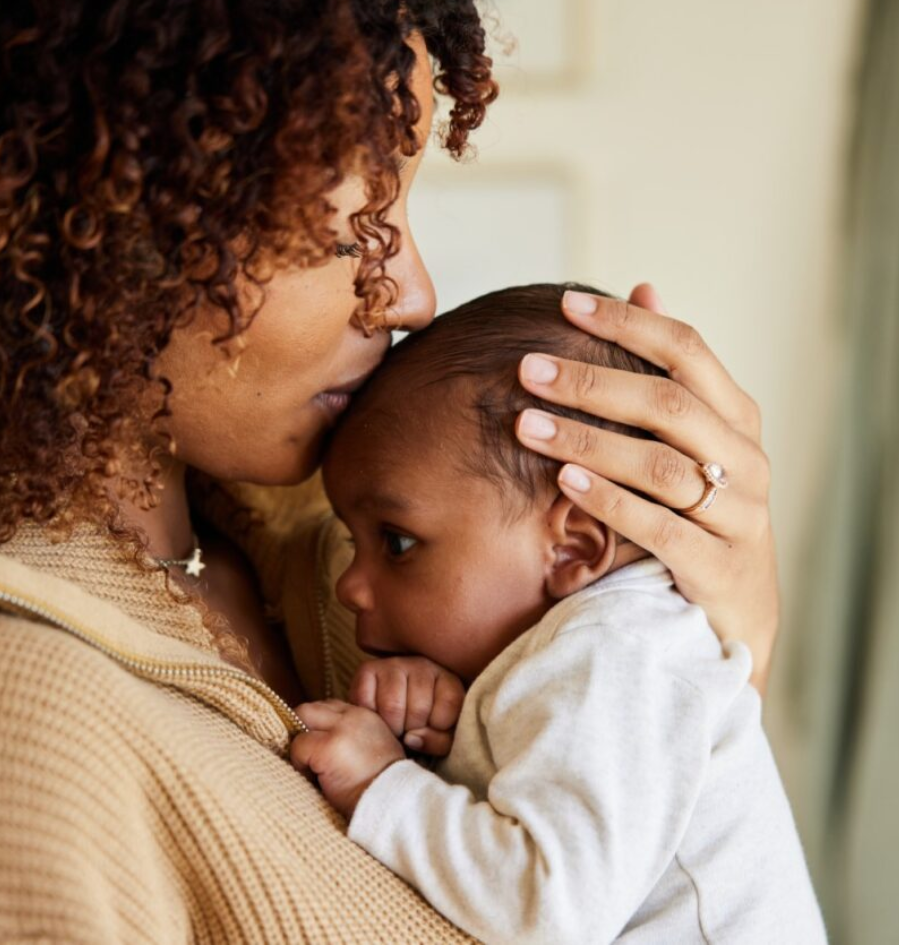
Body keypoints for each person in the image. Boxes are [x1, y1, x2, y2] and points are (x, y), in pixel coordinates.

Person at [0, 3, 779, 942]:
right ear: (104, 220)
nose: (413, 295)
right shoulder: (34, 726)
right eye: (347, 231)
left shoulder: (374, 543)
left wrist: (725, 644)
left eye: (402, 212)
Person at [292, 284, 826, 945]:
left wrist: (384, 783)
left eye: (396, 541)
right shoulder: (596, 648)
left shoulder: (615, 651)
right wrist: (456, 738)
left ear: (573, 544)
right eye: (352, 539)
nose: (348, 586)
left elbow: (549, 910)